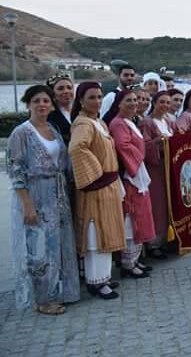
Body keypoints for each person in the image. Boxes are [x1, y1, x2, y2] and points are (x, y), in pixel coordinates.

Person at [7, 85, 80, 313]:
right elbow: (15, 171)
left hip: (59, 195)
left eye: (46, 101)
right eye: (36, 101)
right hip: (36, 195)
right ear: (28, 104)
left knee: (62, 244)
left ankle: (65, 291)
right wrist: (27, 205)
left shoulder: (53, 129)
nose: (42, 105)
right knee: (40, 249)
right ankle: (43, 299)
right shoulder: (21, 133)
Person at [69, 82, 125, 299]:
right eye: (91, 97)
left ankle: (103, 277)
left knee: (107, 230)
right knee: (96, 234)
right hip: (96, 187)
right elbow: (77, 147)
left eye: (100, 97)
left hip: (108, 184)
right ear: (81, 101)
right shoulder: (83, 124)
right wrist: (95, 174)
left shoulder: (99, 122)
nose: (97, 101)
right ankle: (96, 281)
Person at [108, 90, 155, 278]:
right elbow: (123, 146)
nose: (134, 103)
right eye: (129, 100)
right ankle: (127, 263)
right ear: (119, 103)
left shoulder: (130, 121)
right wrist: (139, 157)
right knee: (131, 217)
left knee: (141, 215)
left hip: (137, 169)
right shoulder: (118, 123)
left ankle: (135, 259)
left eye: (135, 100)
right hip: (130, 174)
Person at [139, 91, 177, 259]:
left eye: (168, 103)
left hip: (168, 167)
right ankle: (154, 243)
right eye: (162, 102)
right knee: (157, 204)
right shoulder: (147, 123)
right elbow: (144, 146)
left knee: (168, 202)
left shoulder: (169, 121)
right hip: (155, 168)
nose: (165, 106)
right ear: (154, 103)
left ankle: (167, 239)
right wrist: (159, 141)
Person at [46, 73, 74, 145]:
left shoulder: (81, 111)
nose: (66, 91)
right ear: (52, 93)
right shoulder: (49, 117)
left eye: (69, 88)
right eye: (60, 89)